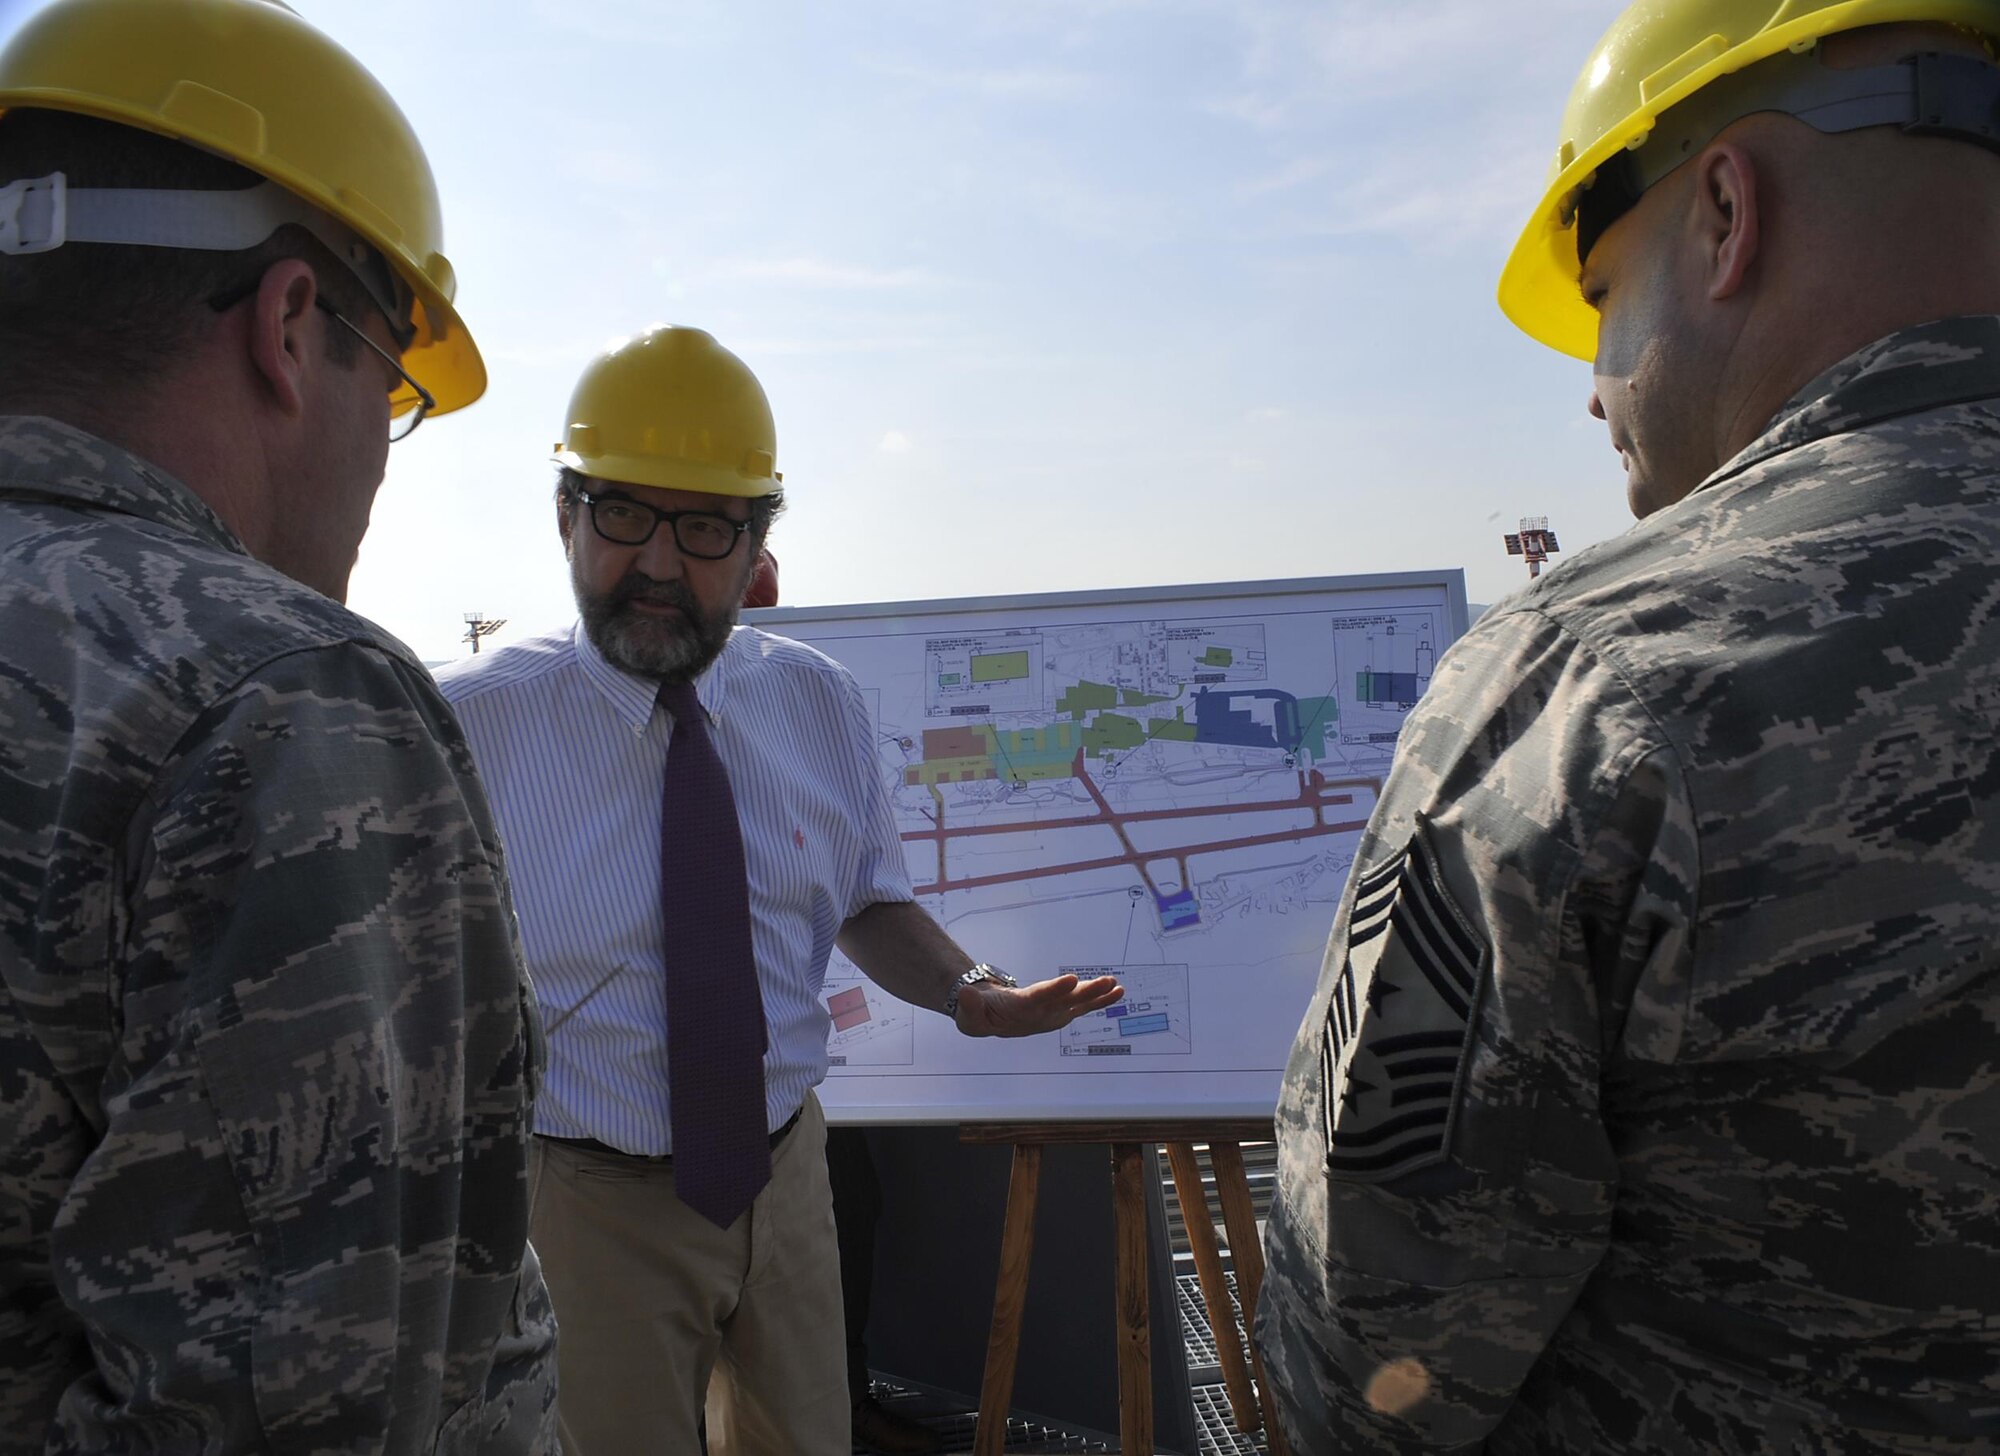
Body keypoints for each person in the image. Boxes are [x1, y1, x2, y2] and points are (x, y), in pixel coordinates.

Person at [1258, 3, 2000, 1451]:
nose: (1595, 386)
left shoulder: (1591, 677)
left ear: (1727, 212)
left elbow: (1378, 1343)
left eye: (1601, 299)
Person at [0, 0, 557, 1451]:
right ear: (293, 325)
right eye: (399, 386)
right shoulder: (280, 699)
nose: (384, 455)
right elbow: (311, 1412)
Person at [437, 324, 1121, 1456]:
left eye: (703, 525)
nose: (657, 561)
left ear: (754, 544)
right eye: (621, 514)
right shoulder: (465, 723)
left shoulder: (818, 702)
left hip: (782, 1172)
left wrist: (969, 992)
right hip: (582, 1201)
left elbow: (866, 900)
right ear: (564, 516)